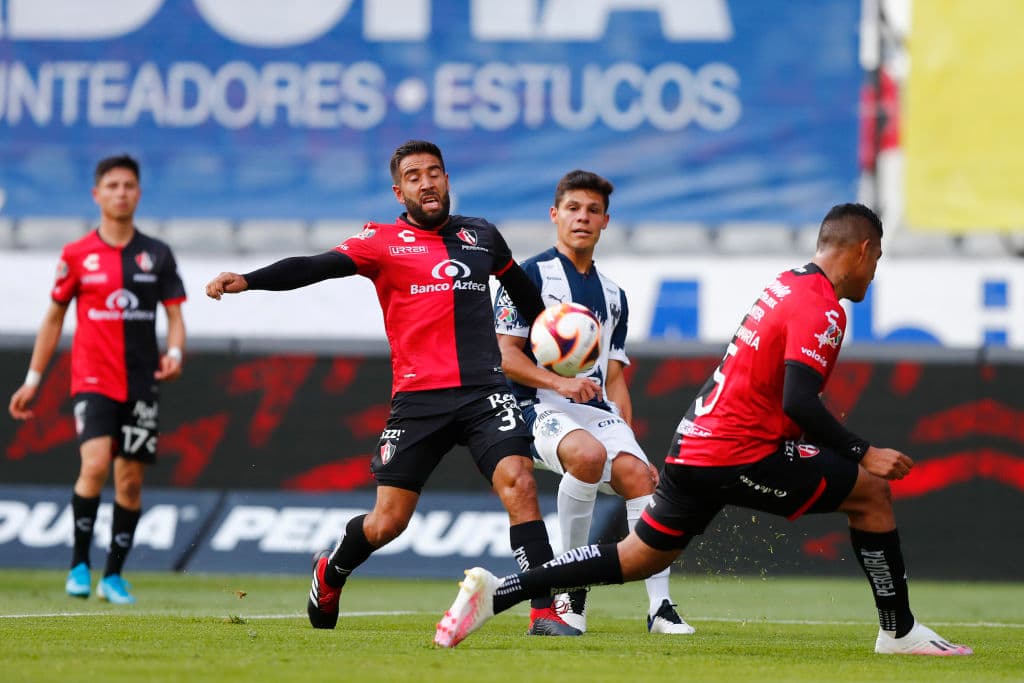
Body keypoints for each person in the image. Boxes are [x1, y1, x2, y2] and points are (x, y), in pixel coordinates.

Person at [435, 203, 973, 656]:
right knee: (872, 492)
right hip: (739, 453)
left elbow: (780, 396)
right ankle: (899, 631)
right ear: (860, 250)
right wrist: (863, 451)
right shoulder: (822, 308)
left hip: (695, 448)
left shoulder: (787, 285)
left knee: (635, 557)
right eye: (876, 256)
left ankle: (498, 591)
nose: (875, 269)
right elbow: (800, 400)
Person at [205, 140, 579, 636]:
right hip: (420, 399)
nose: (427, 183)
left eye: (435, 173)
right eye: (415, 176)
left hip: (485, 392)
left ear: (447, 180)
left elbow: (526, 300)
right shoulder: (379, 241)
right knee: (388, 522)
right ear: (398, 190)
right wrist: (247, 280)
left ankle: (542, 612)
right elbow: (312, 267)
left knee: (521, 483)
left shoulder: (483, 236)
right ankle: (331, 570)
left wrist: (561, 339)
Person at [492, 170, 692, 635]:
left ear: (605, 221)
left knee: (642, 478)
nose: (582, 217)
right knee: (587, 455)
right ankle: (570, 592)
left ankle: (660, 609)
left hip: (592, 409)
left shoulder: (614, 295)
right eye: (573, 208)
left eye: (593, 211)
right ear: (555, 215)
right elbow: (504, 358)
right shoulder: (527, 276)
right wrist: (559, 384)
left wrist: (631, 438)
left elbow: (615, 377)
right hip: (536, 405)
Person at [8, 154, 187, 605]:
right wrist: (33, 379)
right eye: (112, 185)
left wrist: (176, 352)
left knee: (129, 482)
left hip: (142, 381)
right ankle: (79, 565)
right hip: (92, 378)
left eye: (128, 185)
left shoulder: (158, 253)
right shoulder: (76, 255)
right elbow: (53, 320)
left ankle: (114, 576)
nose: (121, 192)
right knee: (93, 465)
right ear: (97, 194)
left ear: (138, 193)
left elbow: (175, 315)